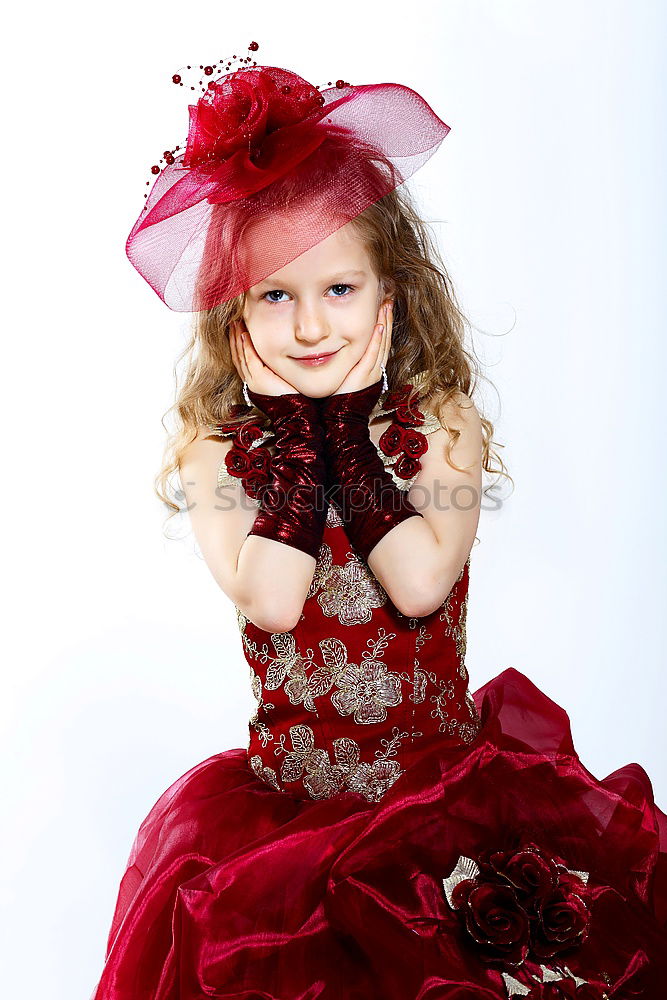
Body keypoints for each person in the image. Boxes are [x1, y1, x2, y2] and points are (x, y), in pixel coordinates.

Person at [90, 48, 667, 1000]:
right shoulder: (212, 448)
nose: (309, 325)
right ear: (236, 320)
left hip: (438, 811)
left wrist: (351, 442)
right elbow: (273, 598)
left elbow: (416, 583)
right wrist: (297, 448)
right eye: (275, 295)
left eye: (339, 291)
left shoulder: (438, 424)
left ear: (390, 304)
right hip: (286, 819)